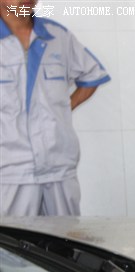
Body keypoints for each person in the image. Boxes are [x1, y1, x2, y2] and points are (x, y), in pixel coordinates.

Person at [0, 0, 110, 217]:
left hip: (58, 165)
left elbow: (92, 74)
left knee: (64, 235)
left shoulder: (57, 36)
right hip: (9, 170)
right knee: (12, 237)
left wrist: (63, 109)